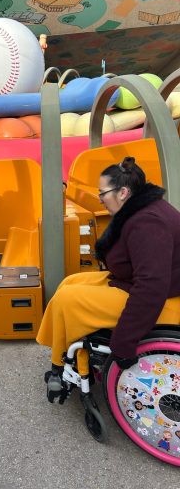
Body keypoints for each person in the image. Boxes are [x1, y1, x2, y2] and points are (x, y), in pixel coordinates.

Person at [37, 156, 180, 400]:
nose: (100, 198)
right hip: (141, 282)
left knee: (68, 299)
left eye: (103, 193)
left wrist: (124, 344)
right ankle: (63, 359)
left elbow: (151, 287)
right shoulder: (141, 210)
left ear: (123, 192)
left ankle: (65, 366)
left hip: (165, 298)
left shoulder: (147, 224)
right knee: (70, 283)